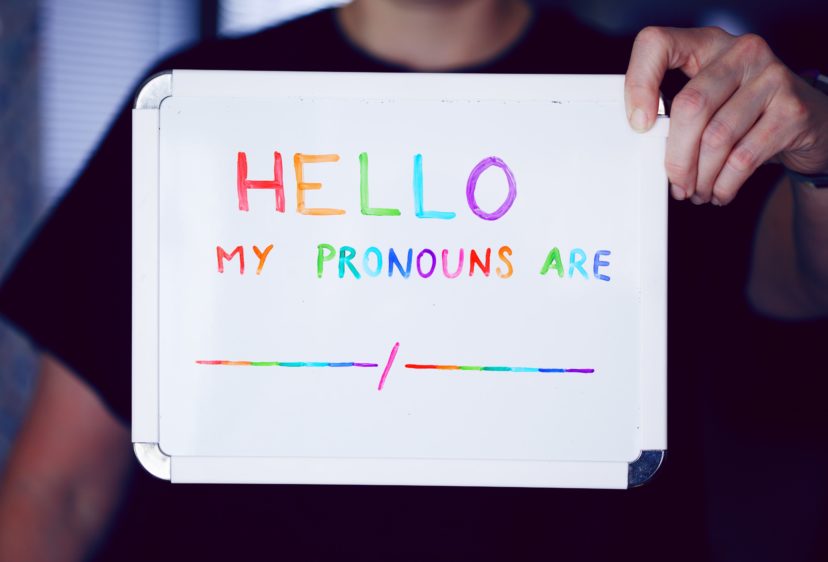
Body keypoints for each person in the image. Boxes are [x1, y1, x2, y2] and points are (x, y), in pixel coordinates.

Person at [0, 1, 827, 560]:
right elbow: (57, 489)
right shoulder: (194, 107)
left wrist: (820, 151)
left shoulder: (663, 109)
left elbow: (805, 280)